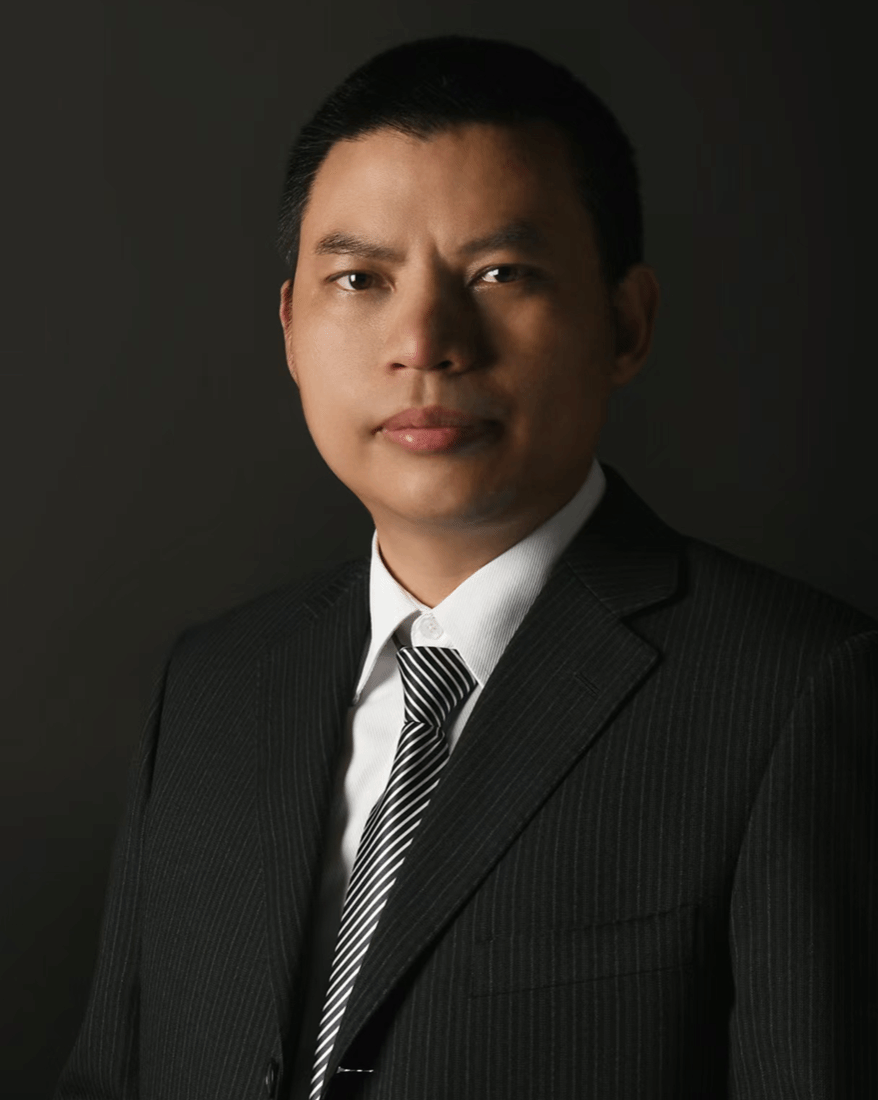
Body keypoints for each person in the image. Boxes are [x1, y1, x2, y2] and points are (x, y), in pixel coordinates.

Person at [55, 35, 877, 1100]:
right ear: (291, 328)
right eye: (360, 278)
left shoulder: (796, 694)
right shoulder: (211, 687)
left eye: (499, 274)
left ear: (625, 323)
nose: (425, 340)